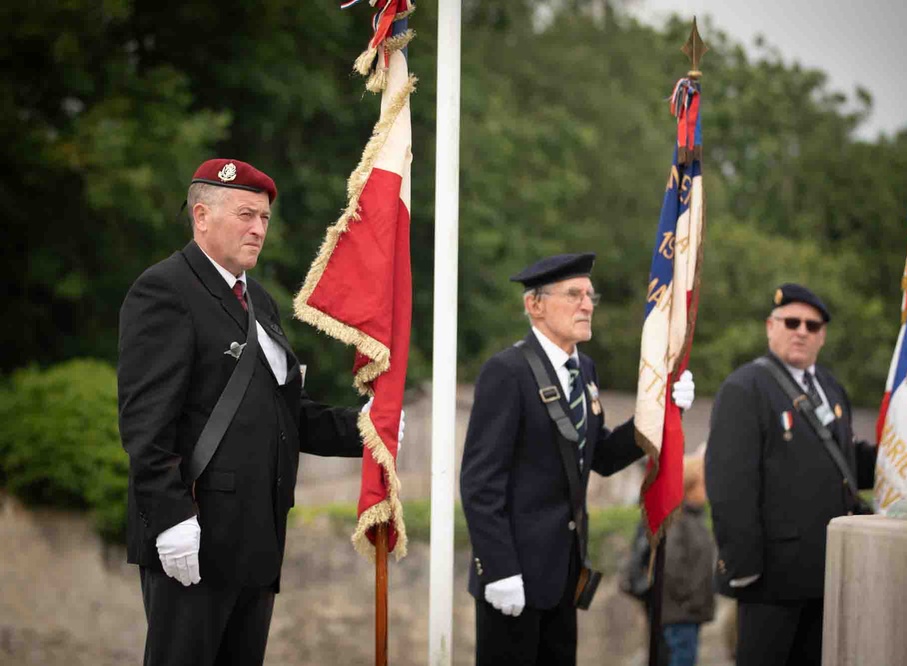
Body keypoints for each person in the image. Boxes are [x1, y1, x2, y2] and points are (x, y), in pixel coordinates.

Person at [117, 159, 394, 666]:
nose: (258, 228)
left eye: (264, 218)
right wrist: (170, 516)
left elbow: (291, 415)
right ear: (201, 216)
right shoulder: (165, 290)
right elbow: (144, 424)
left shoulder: (258, 302)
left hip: (257, 537)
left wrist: (371, 426)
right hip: (194, 535)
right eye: (246, 215)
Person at [459, 252, 696, 666]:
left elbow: (599, 456)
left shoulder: (583, 369)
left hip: (564, 576)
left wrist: (659, 413)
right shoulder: (506, 372)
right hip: (513, 577)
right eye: (573, 294)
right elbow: (480, 484)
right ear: (535, 305)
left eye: (589, 295)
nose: (587, 304)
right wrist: (498, 570)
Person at [704, 283, 876, 666]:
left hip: (829, 570)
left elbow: (846, 461)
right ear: (770, 326)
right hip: (771, 579)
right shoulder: (746, 387)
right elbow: (730, 485)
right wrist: (744, 568)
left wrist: (904, 460)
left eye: (812, 326)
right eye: (792, 322)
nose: (802, 331)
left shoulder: (831, 388)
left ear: (823, 336)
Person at [657, 443, 716, 666]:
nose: (706, 488)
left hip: (690, 613)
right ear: (689, 486)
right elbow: (671, 566)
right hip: (680, 613)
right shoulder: (678, 520)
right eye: (702, 483)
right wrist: (689, 600)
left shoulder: (695, 518)